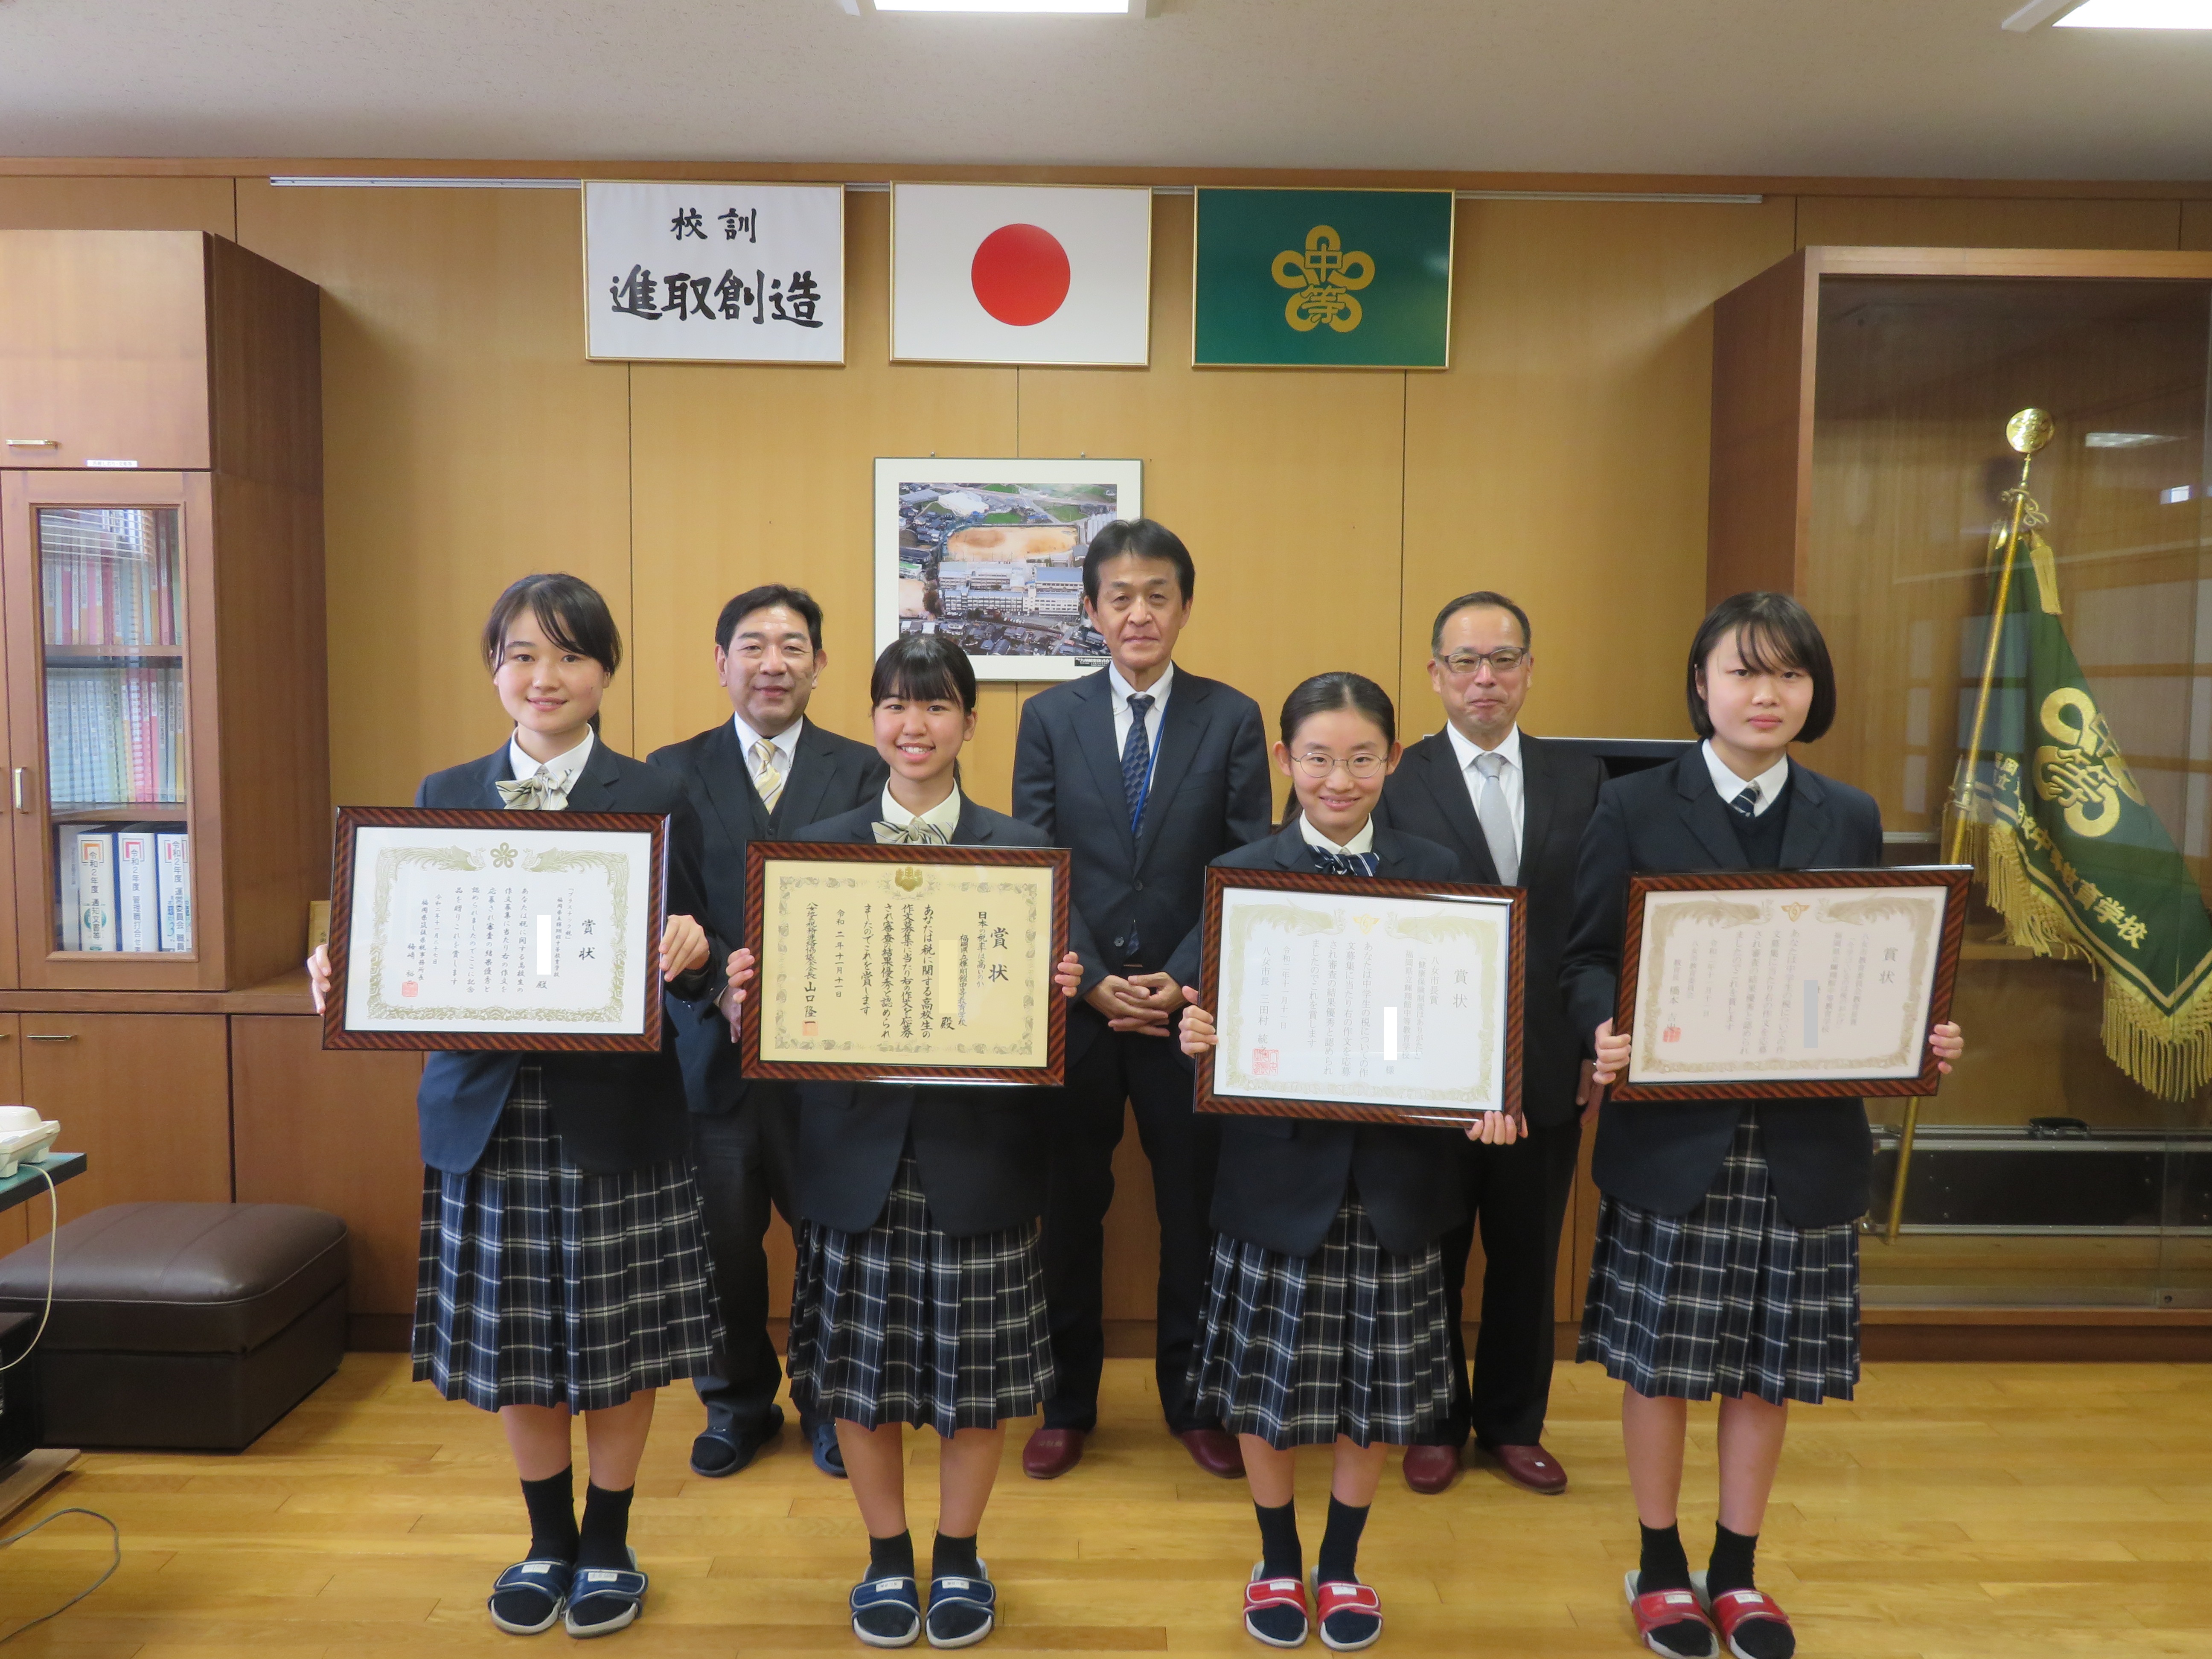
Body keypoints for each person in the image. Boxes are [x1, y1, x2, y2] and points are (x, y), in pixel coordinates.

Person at [308, 573, 719, 1640]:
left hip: (616, 1112)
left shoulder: (656, 795)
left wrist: (694, 949)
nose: (545, 677)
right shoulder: (443, 789)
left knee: (621, 1343)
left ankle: (613, 1538)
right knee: (521, 1342)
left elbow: (713, 954)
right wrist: (343, 965)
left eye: (570, 656)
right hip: (486, 1113)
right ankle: (546, 1539)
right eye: (523, 654)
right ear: (494, 667)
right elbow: (403, 936)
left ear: (604, 675)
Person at [1563, 593, 1965, 1659]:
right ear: (1702, 685)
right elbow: (1584, 956)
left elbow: (1877, 963)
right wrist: (1601, 1025)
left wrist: (1917, 1034)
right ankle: (1659, 1564)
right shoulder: (1636, 805)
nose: (1766, 694)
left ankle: (1735, 1573)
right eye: (1744, 673)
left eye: (1788, 675)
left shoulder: (1851, 813)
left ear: (1812, 692)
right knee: (1660, 1363)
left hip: (1808, 1138)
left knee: (1767, 1365)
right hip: (1675, 1135)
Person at [721, 633, 1091, 1650]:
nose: (913, 726)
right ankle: (888, 1557)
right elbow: (775, 1021)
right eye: (894, 705)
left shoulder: (1023, 855)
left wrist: (1063, 994)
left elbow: (1070, 1003)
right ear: (874, 718)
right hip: (852, 1159)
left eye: (935, 707)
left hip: (983, 1156)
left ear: (971, 722)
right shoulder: (816, 852)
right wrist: (746, 994)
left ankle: (961, 1555)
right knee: (857, 1376)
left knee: (979, 1384)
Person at [1170, 672, 1524, 1653]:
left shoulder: (1438, 867)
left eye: (1362, 757)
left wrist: (1489, 1097)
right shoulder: (1242, 872)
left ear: (1393, 761)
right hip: (1277, 1177)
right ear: (1285, 761)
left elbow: (1476, 1019)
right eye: (1318, 757)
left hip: (1401, 1179)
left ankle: (1344, 1564)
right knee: (1265, 1389)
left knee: (1378, 1388)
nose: (1340, 777)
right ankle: (1277, 1556)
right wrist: (1194, 1032)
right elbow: (1197, 1011)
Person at [1011, 517, 1272, 1481]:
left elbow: (1247, 859)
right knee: (1069, 1209)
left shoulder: (1232, 715)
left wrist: (1185, 969)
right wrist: (1091, 975)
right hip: (1077, 1010)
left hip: (1187, 1013)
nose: (1139, 612)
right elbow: (1036, 859)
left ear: (1185, 607)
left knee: (1193, 1211)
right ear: (1089, 611)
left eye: (1157, 594)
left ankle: (1195, 1400)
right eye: (1119, 596)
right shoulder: (1049, 717)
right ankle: (1065, 1403)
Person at [648, 584, 887, 1481]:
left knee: (834, 1240)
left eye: (793, 647)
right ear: (721, 663)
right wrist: (723, 987)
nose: (773, 663)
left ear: (821, 664)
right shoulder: (668, 773)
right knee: (722, 1243)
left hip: (833, 1063)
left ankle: (829, 1405)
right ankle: (736, 1402)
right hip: (713, 1051)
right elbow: (666, 910)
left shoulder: (867, 768)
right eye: (753, 646)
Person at [1374, 591, 1606, 1498]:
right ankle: (1431, 1420)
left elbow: (1597, 924)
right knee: (1428, 1250)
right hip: (1428, 1065)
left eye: (1503, 659)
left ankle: (1513, 1423)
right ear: (1434, 674)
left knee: (1526, 1253)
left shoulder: (1581, 778)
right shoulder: (1394, 775)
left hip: (1546, 1064)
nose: (1485, 678)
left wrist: (1594, 1040)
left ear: (1530, 670)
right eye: (1465, 662)